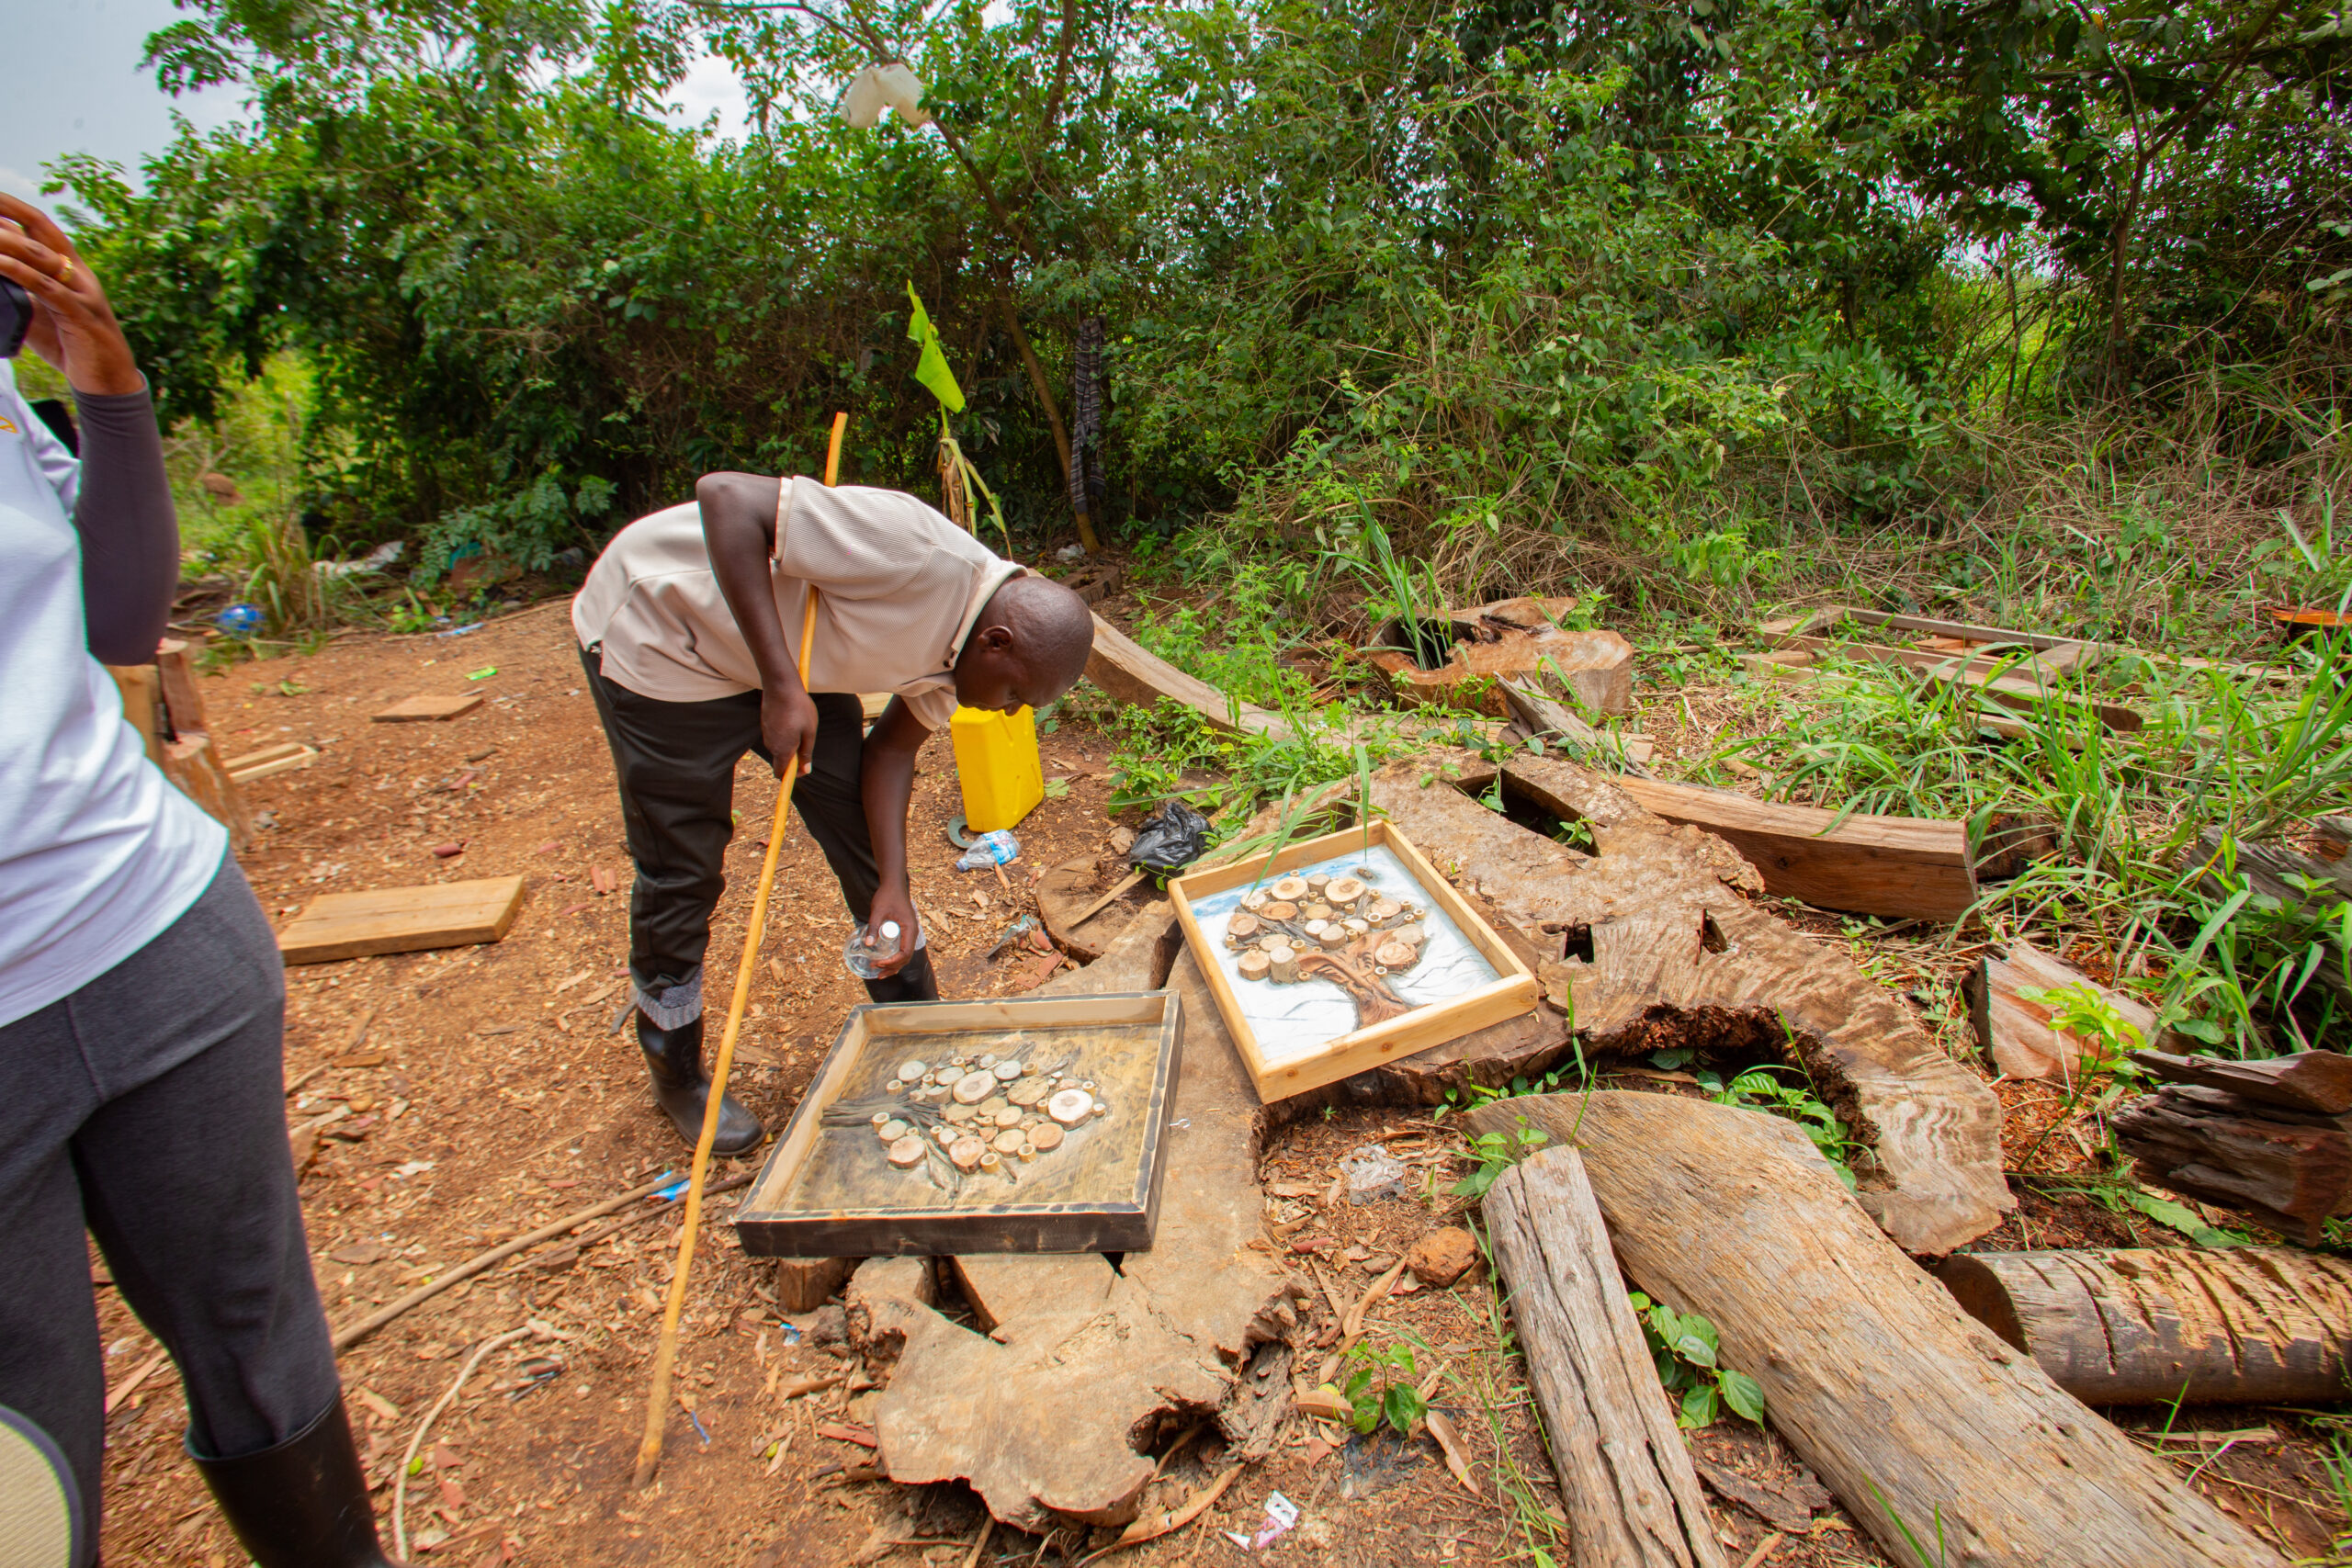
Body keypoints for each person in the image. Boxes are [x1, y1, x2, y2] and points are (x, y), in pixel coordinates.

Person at [0, 194, 401, 1566]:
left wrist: (108, 393)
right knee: (26, 1445)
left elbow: (118, 621)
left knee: (257, 1338)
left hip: (150, 917)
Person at [573, 471, 1096, 1150]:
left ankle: (919, 1032)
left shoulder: (966, 663)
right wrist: (780, 684)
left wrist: (894, 886)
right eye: (1016, 696)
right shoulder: (912, 551)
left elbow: (890, 754)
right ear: (995, 642)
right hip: (667, 638)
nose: (1010, 711)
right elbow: (725, 499)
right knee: (683, 868)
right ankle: (674, 1070)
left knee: (867, 847)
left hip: (796, 661)